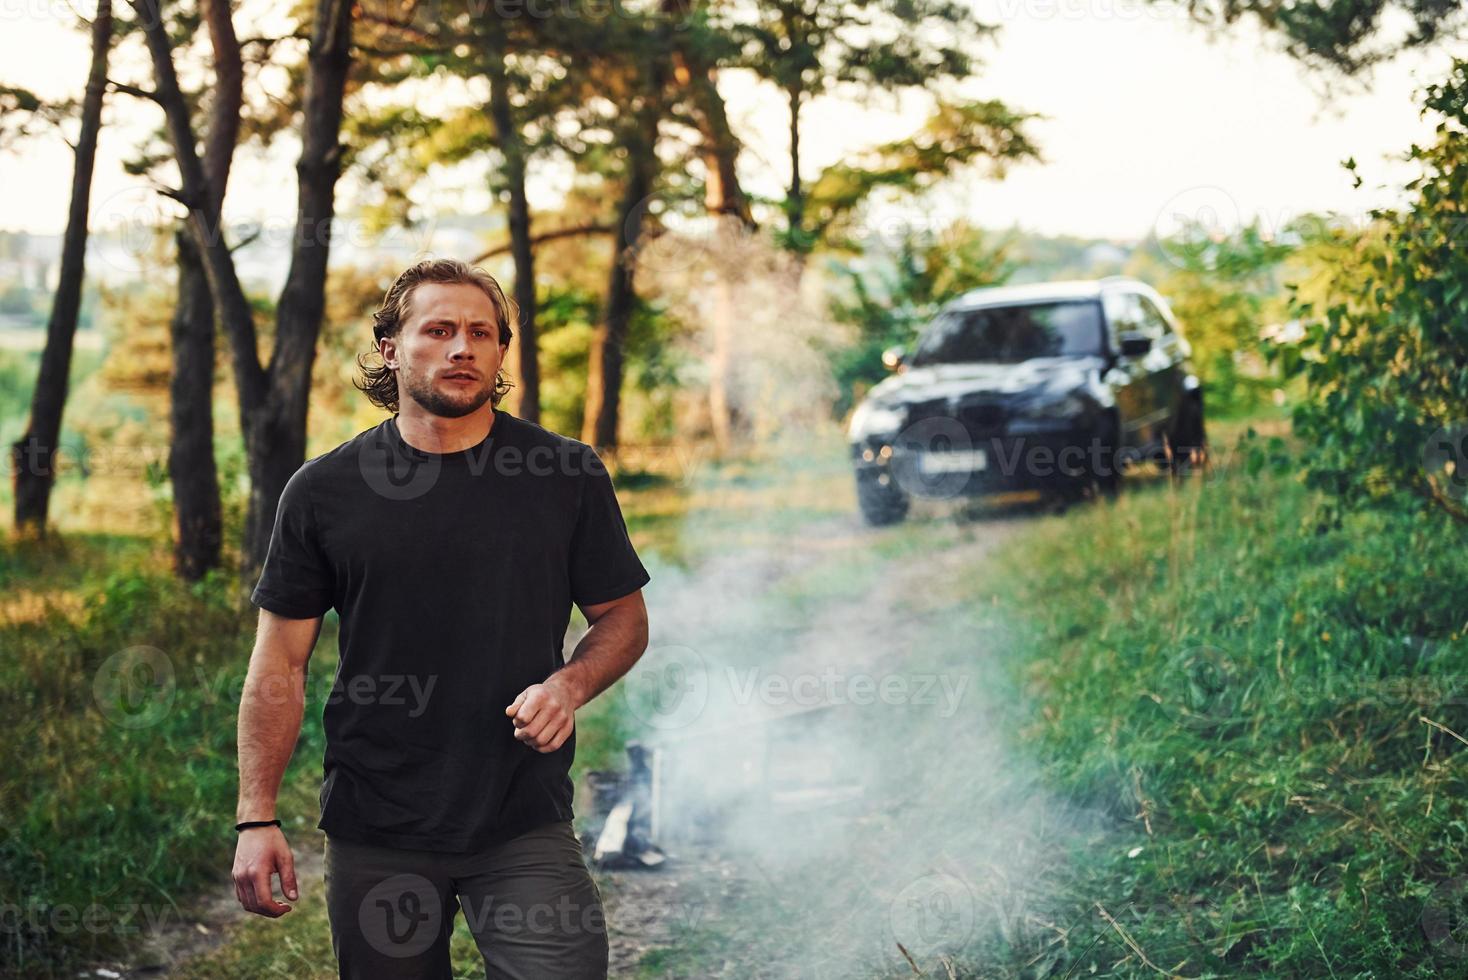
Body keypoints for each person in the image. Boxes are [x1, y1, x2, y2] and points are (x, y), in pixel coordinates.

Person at [231, 258, 650, 979]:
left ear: (499, 353)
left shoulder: (563, 475)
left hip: (523, 814)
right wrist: (256, 816)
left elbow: (623, 618)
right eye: (440, 330)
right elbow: (280, 666)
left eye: (482, 333)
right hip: (378, 823)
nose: (463, 348)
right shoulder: (324, 492)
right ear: (391, 348)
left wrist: (569, 686)